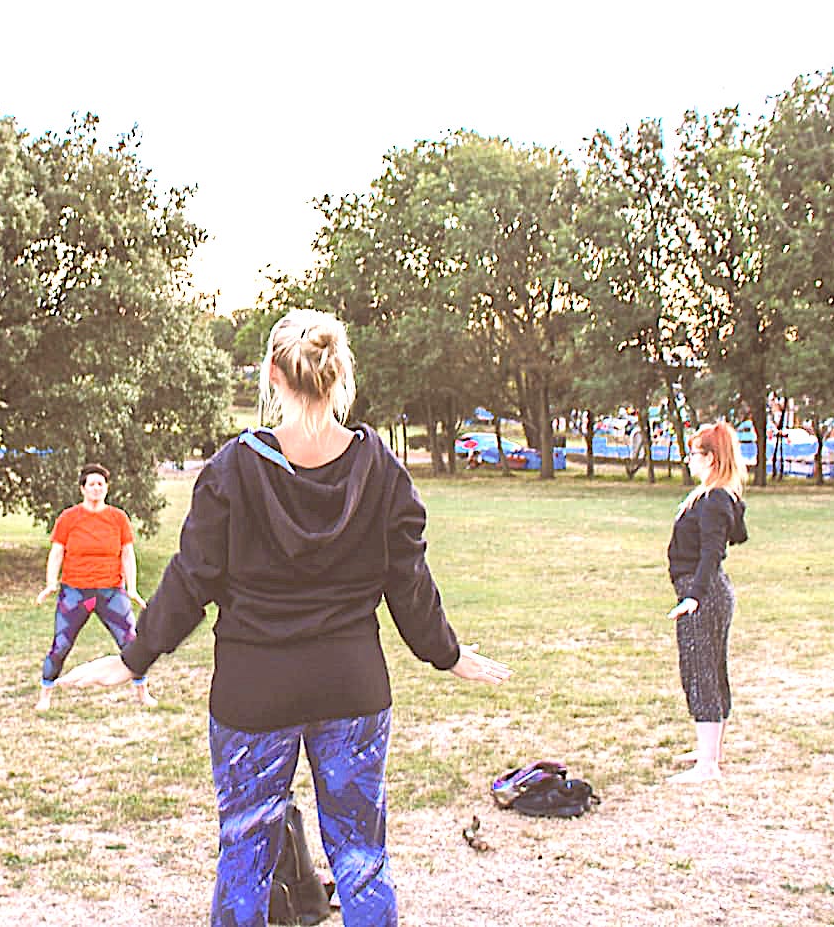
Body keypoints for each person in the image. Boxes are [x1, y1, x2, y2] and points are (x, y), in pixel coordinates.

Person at [58, 309, 510, 927]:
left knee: (245, 853)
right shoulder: (375, 473)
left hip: (254, 692)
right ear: (340, 374)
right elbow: (408, 585)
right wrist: (447, 653)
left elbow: (191, 580)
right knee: (361, 859)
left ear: (271, 374)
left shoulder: (232, 471)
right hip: (349, 686)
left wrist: (134, 658)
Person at [665, 420, 749, 783]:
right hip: (709, 591)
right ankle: (709, 750)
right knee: (711, 669)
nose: (688, 460)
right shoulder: (717, 495)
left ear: (711, 458)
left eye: (694, 453)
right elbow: (739, 534)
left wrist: (694, 597)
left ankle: (708, 766)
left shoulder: (715, 499)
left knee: (701, 672)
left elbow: (714, 551)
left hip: (704, 594)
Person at [34, 462, 154, 711]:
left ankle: (143, 692)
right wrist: (50, 583)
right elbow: (57, 552)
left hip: (111, 592)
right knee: (61, 645)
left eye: (101, 484)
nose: (96, 488)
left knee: (132, 643)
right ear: (83, 489)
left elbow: (127, 554)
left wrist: (131, 589)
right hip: (75, 592)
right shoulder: (69, 518)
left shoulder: (118, 518)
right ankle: (45, 694)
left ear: (107, 488)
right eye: (92, 484)